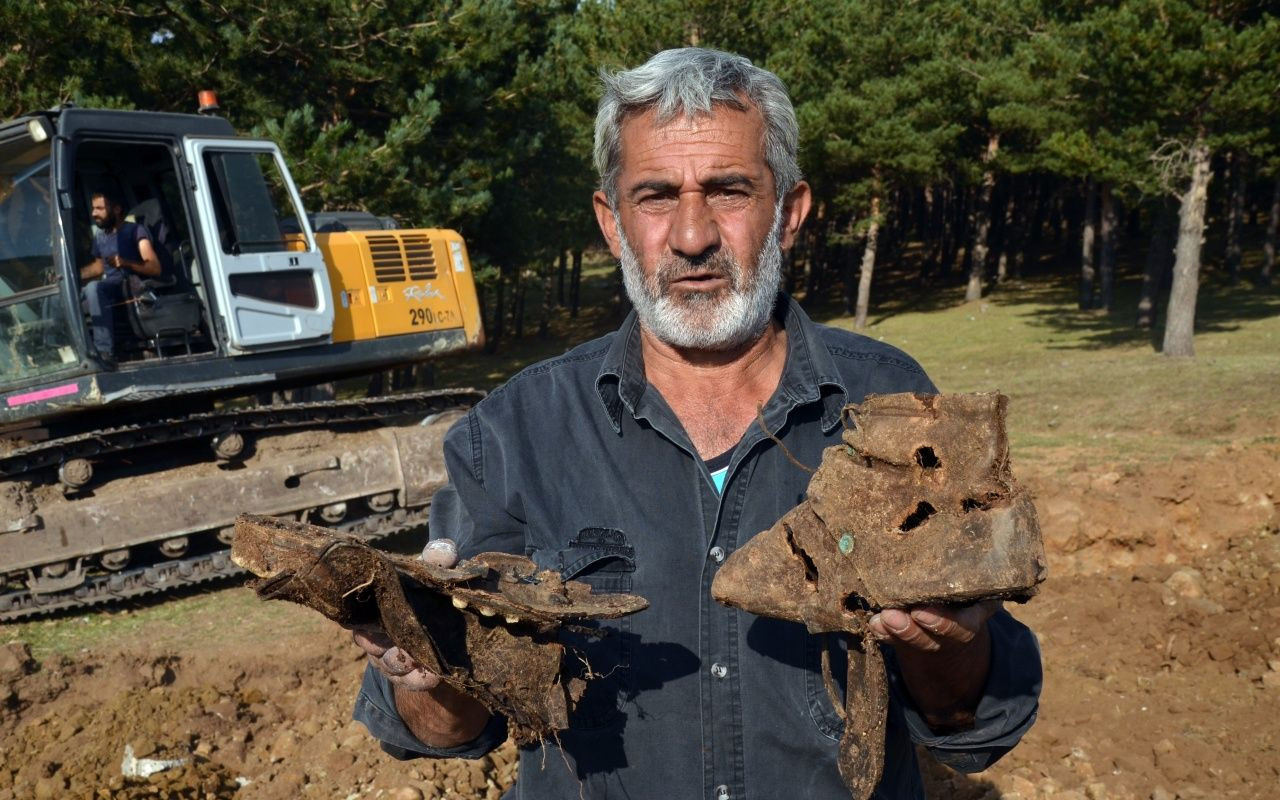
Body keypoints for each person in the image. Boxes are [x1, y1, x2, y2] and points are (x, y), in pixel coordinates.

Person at [352, 48, 1041, 799]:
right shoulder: (517, 432)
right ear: (612, 223)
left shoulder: (889, 402)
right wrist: (428, 667)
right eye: (655, 196)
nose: (691, 236)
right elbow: (447, 729)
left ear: (790, 214)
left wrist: (948, 646)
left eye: (728, 190)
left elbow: (973, 725)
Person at [80, 190, 163, 363]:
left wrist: (126, 263)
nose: (94, 213)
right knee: (63, 294)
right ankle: (56, 345)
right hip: (108, 287)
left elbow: (155, 268)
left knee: (94, 287)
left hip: (128, 286)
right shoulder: (100, 237)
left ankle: (104, 351)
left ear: (116, 209)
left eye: (100, 208)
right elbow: (99, 267)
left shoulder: (135, 231)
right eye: (93, 208)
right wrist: (73, 275)